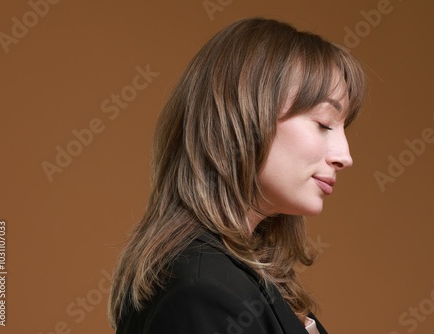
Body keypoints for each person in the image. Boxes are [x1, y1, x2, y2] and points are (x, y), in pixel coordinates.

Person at [108, 17, 367, 334]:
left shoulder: (241, 278)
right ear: (245, 119)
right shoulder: (205, 292)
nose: (345, 156)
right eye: (324, 123)